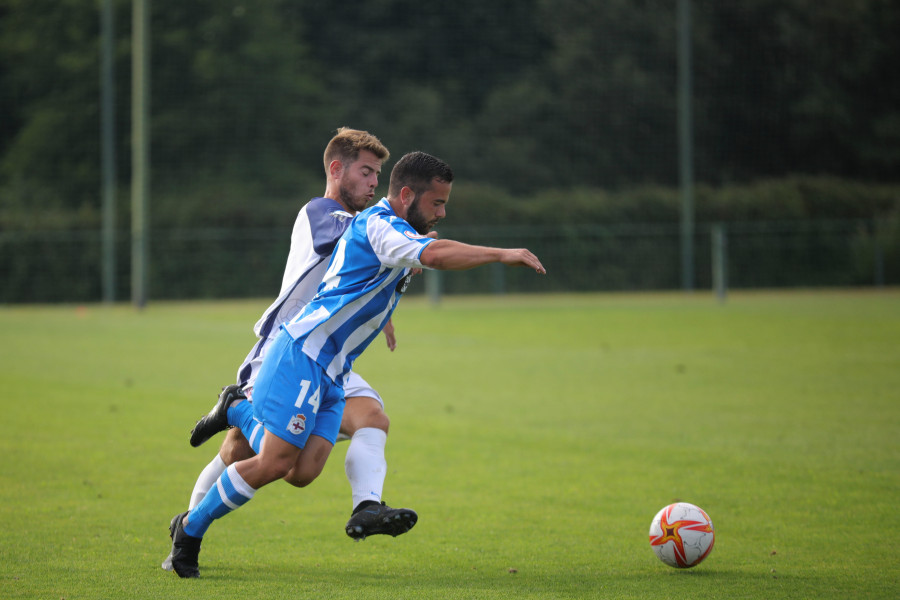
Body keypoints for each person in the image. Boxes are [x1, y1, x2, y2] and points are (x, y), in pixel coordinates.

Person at [169, 150, 546, 578]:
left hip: (333, 369)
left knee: (302, 471)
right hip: (303, 352)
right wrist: (502, 254)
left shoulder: (391, 227)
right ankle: (190, 533)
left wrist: (380, 318)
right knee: (272, 461)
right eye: (437, 204)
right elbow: (436, 255)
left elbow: (377, 276)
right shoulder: (378, 223)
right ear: (406, 195)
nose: (441, 213)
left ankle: (236, 408)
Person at [162, 128, 417, 573]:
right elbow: (357, 247)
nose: (375, 183)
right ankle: (186, 527)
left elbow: (354, 276)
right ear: (336, 170)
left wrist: (381, 309)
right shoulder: (322, 212)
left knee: (348, 435)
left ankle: (367, 508)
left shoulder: (359, 222)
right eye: (366, 172)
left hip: (328, 358)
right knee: (238, 452)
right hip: (283, 351)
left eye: (378, 174)